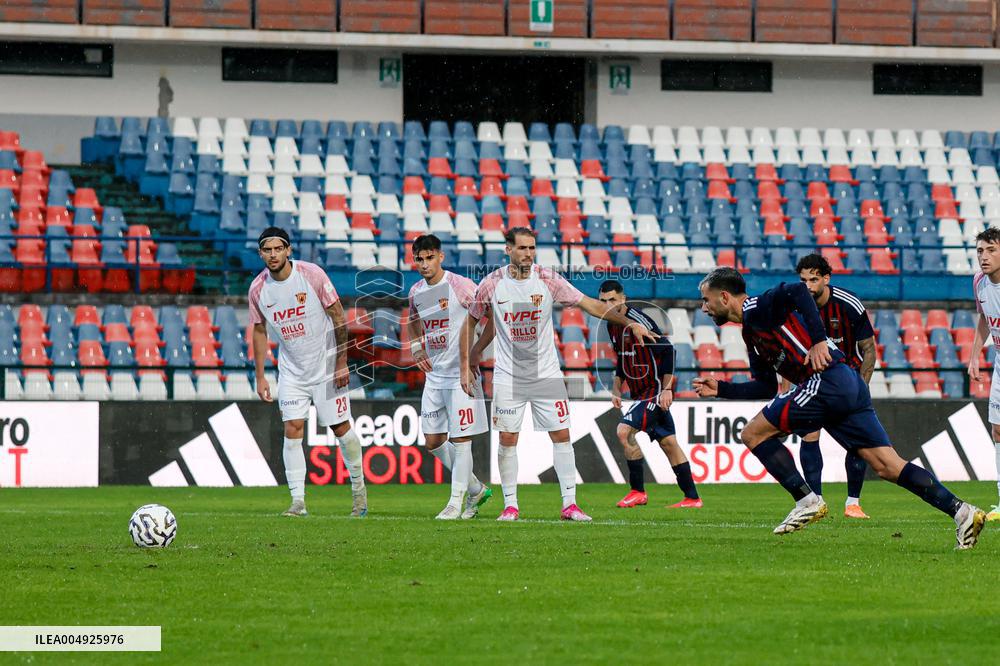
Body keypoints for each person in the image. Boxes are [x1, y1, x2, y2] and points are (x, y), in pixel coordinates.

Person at [693, 268, 986, 549]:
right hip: (845, 384)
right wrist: (722, 389)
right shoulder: (751, 334)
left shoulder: (760, 306)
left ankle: (807, 501)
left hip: (827, 381)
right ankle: (961, 512)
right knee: (887, 466)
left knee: (752, 434)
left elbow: (797, 289)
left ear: (725, 297)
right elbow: (767, 386)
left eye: (706, 300)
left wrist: (820, 341)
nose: (704, 308)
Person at [458, 227, 657, 522]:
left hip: (546, 373)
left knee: (562, 435)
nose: (528, 254)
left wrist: (628, 322)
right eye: (522, 248)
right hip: (508, 375)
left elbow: (590, 305)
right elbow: (471, 321)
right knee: (508, 439)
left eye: (532, 248)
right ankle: (510, 506)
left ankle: (570, 505)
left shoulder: (548, 279)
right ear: (508, 250)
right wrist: (467, 361)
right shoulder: (491, 284)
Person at [249, 226, 367, 518]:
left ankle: (359, 493)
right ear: (261, 253)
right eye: (268, 250)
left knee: (341, 429)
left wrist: (341, 362)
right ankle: (298, 502)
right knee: (292, 430)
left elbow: (338, 315)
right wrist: (260, 375)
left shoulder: (311, 275)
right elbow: (259, 330)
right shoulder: (257, 289)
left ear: (288, 250)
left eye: (279, 249)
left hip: (326, 366)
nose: (273, 255)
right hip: (292, 371)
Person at [407, 234, 492, 520]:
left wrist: (476, 353)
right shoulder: (416, 291)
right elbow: (412, 320)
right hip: (435, 377)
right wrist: (417, 347)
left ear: (440, 257)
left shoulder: (461, 286)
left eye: (430, 257)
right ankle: (475, 488)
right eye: (419, 258)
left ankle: (456, 502)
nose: (424, 263)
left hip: (461, 375)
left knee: (461, 440)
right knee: (432, 441)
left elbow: (489, 316)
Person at [597, 280, 701, 509]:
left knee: (624, 432)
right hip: (638, 392)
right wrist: (616, 388)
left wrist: (666, 390)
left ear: (623, 299)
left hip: (652, 391)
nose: (607, 305)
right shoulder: (611, 325)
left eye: (612, 300)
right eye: (603, 301)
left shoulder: (639, 321)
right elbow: (623, 359)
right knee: (669, 443)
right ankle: (692, 498)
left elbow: (668, 351)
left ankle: (637, 492)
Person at [795, 253, 877, 519]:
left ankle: (853, 503)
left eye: (813, 279)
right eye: (803, 279)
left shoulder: (848, 303)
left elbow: (868, 348)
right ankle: (815, 501)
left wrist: (862, 387)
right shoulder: (796, 306)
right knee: (809, 435)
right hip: (812, 382)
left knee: (859, 444)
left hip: (847, 383)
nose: (807, 285)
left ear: (826, 279)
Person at [968, 227, 1000, 522]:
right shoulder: (979, 282)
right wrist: (975, 355)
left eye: (991, 250)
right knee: (998, 430)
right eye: (980, 251)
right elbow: (983, 318)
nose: (984, 257)